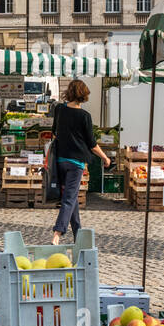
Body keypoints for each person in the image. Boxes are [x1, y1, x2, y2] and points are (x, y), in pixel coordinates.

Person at [49, 79, 111, 246]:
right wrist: (105, 157)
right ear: (84, 95)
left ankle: (78, 236)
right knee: (69, 199)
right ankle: (57, 233)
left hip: (60, 161)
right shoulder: (85, 116)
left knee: (72, 198)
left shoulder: (59, 110)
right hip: (76, 164)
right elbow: (92, 144)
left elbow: (54, 133)